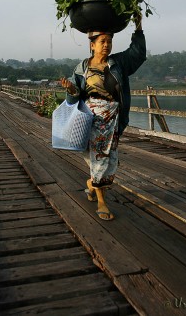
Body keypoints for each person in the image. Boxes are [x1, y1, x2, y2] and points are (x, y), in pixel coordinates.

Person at [61, 17, 146, 220]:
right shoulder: (82, 68)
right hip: (92, 119)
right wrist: (71, 90)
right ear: (92, 45)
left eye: (109, 41)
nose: (106, 45)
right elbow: (74, 95)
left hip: (113, 120)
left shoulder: (118, 63)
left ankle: (92, 185)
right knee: (99, 158)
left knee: (109, 160)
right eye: (102, 42)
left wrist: (138, 26)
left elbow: (138, 54)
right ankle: (102, 201)